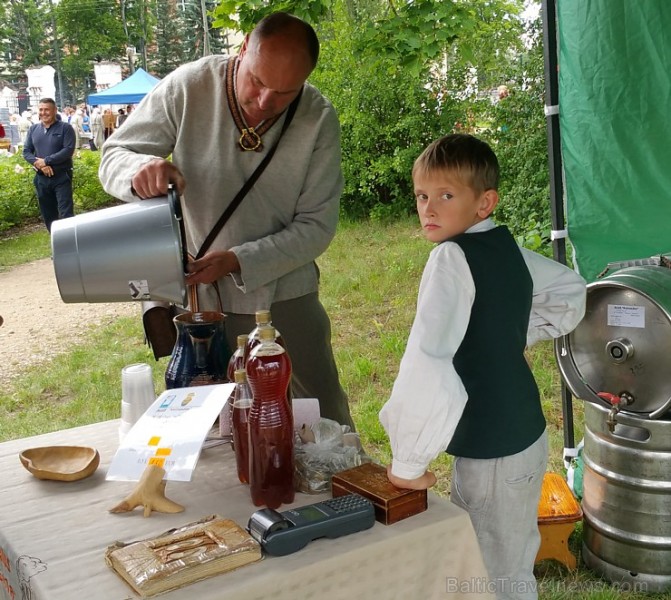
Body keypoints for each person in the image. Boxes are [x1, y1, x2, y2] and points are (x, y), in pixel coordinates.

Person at [99, 12, 355, 429]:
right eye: (257, 81)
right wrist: (142, 169)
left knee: (322, 413)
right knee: (205, 424)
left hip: (285, 293)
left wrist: (238, 259)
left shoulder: (317, 117)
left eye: (285, 92)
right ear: (242, 51)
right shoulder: (189, 86)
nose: (266, 101)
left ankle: (347, 492)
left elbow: (316, 227)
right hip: (200, 301)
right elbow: (114, 157)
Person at [379, 134, 586, 600]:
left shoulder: (451, 257)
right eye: (422, 195)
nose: (429, 208)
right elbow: (570, 290)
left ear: (484, 202)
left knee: (487, 573)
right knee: (511, 561)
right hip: (525, 436)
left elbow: (426, 360)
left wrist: (408, 461)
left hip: (493, 450)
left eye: (446, 196)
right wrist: (507, 335)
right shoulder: (501, 246)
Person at [22, 98, 76, 232]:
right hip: (41, 178)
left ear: (54, 110)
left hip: (61, 177)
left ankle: (71, 243)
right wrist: (39, 164)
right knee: (48, 214)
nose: (43, 112)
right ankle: (56, 242)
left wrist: (46, 161)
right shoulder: (34, 129)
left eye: (47, 109)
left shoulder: (65, 128)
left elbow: (68, 150)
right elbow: (26, 151)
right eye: (41, 109)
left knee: (65, 213)